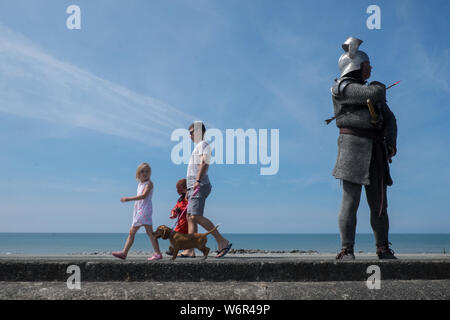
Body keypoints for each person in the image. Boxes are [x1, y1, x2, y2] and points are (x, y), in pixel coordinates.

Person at [329, 37, 398, 260]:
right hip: (352, 149)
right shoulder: (341, 87)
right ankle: (347, 250)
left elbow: (390, 118)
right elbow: (374, 94)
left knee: (379, 205)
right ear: (357, 65)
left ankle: (383, 248)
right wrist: (378, 86)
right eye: (368, 65)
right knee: (351, 202)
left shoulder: (370, 90)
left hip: (376, 150)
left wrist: (390, 141)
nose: (371, 68)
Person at [180, 121, 232, 258]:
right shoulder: (198, 146)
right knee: (190, 218)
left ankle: (222, 241)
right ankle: (190, 250)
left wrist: (197, 181)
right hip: (193, 186)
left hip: (200, 184)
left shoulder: (203, 145)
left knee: (195, 216)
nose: (189, 135)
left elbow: (205, 162)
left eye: (191, 132)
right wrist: (189, 189)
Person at [112, 162, 162, 261]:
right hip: (139, 210)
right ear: (138, 173)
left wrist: (128, 199)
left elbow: (144, 196)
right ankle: (125, 253)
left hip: (144, 210)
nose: (145, 173)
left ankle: (157, 253)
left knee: (141, 232)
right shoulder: (140, 184)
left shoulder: (149, 183)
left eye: (147, 171)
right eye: (143, 171)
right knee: (144, 232)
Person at [166, 178, 189, 256]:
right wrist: (174, 213)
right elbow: (175, 208)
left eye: (180, 189)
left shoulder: (188, 198)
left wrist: (180, 209)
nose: (178, 191)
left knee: (176, 236)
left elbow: (188, 208)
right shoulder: (180, 200)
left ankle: (174, 249)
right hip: (180, 222)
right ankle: (174, 249)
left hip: (186, 221)